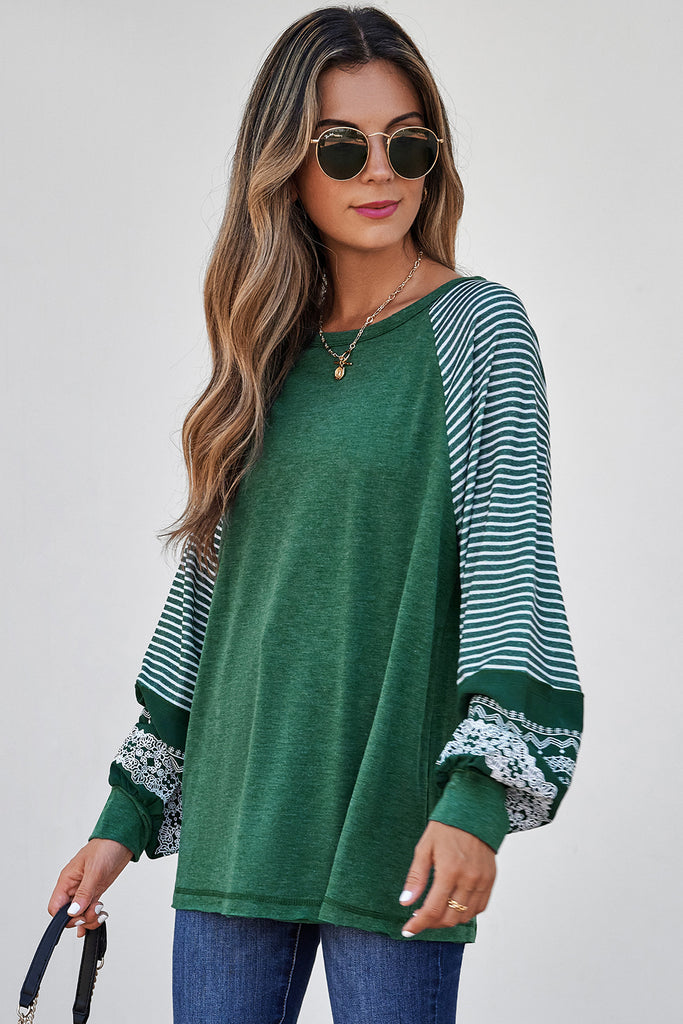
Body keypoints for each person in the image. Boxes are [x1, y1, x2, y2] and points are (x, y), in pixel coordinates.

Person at [48, 6, 584, 1022]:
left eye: (406, 144)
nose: (379, 171)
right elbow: (211, 603)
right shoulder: (262, 356)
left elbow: (510, 569)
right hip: (237, 823)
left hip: (393, 829)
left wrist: (476, 798)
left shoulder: (478, 330)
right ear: (285, 165)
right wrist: (122, 817)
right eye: (342, 146)